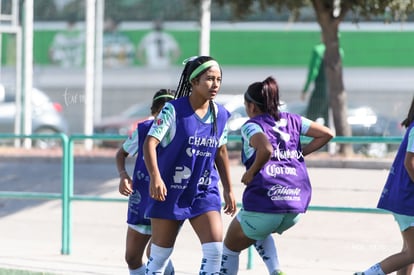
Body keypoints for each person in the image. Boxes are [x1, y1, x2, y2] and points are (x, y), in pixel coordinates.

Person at [221, 76, 334, 275]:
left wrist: (251, 171)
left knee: (230, 248)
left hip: (266, 201)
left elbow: (265, 149)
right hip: (294, 207)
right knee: (258, 229)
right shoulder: (293, 119)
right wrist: (298, 155)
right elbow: (327, 133)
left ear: (252, 107)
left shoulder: (251, 125)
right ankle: (276, 270)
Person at [143, 55, 237, 274]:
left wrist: (228, 189)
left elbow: (221, 151)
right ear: (194, 82)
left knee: (215, 251)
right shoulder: (172, 110)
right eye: (209, 79)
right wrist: (155, 177)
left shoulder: (220, 114)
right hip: (170, 191)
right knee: (159, 258)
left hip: (203, 191)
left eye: (219, 79)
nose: (215, 84)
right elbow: (150, 143)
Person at [115, 89, 176, 275]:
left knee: (154, 254)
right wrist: (123, 175)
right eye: (160, 114)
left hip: (166, 200)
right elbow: (121, 153)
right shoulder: (143, 131)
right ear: (154, 112)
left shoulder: (181, 135)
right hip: (141, 199)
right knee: (132, 257)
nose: (163, 121)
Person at [354, 96, 414, 275]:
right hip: (408, 199)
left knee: (408, 251)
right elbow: (409, 163)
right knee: (412, 253)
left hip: (404, 197)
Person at [301, 36, 344, 126]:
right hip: (331, 93)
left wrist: (305, 89)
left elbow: (313, 72)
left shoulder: (318, 50)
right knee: (326, 122)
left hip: (320, 90)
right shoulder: (339, 51)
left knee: (308, 121)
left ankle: (303, 140)